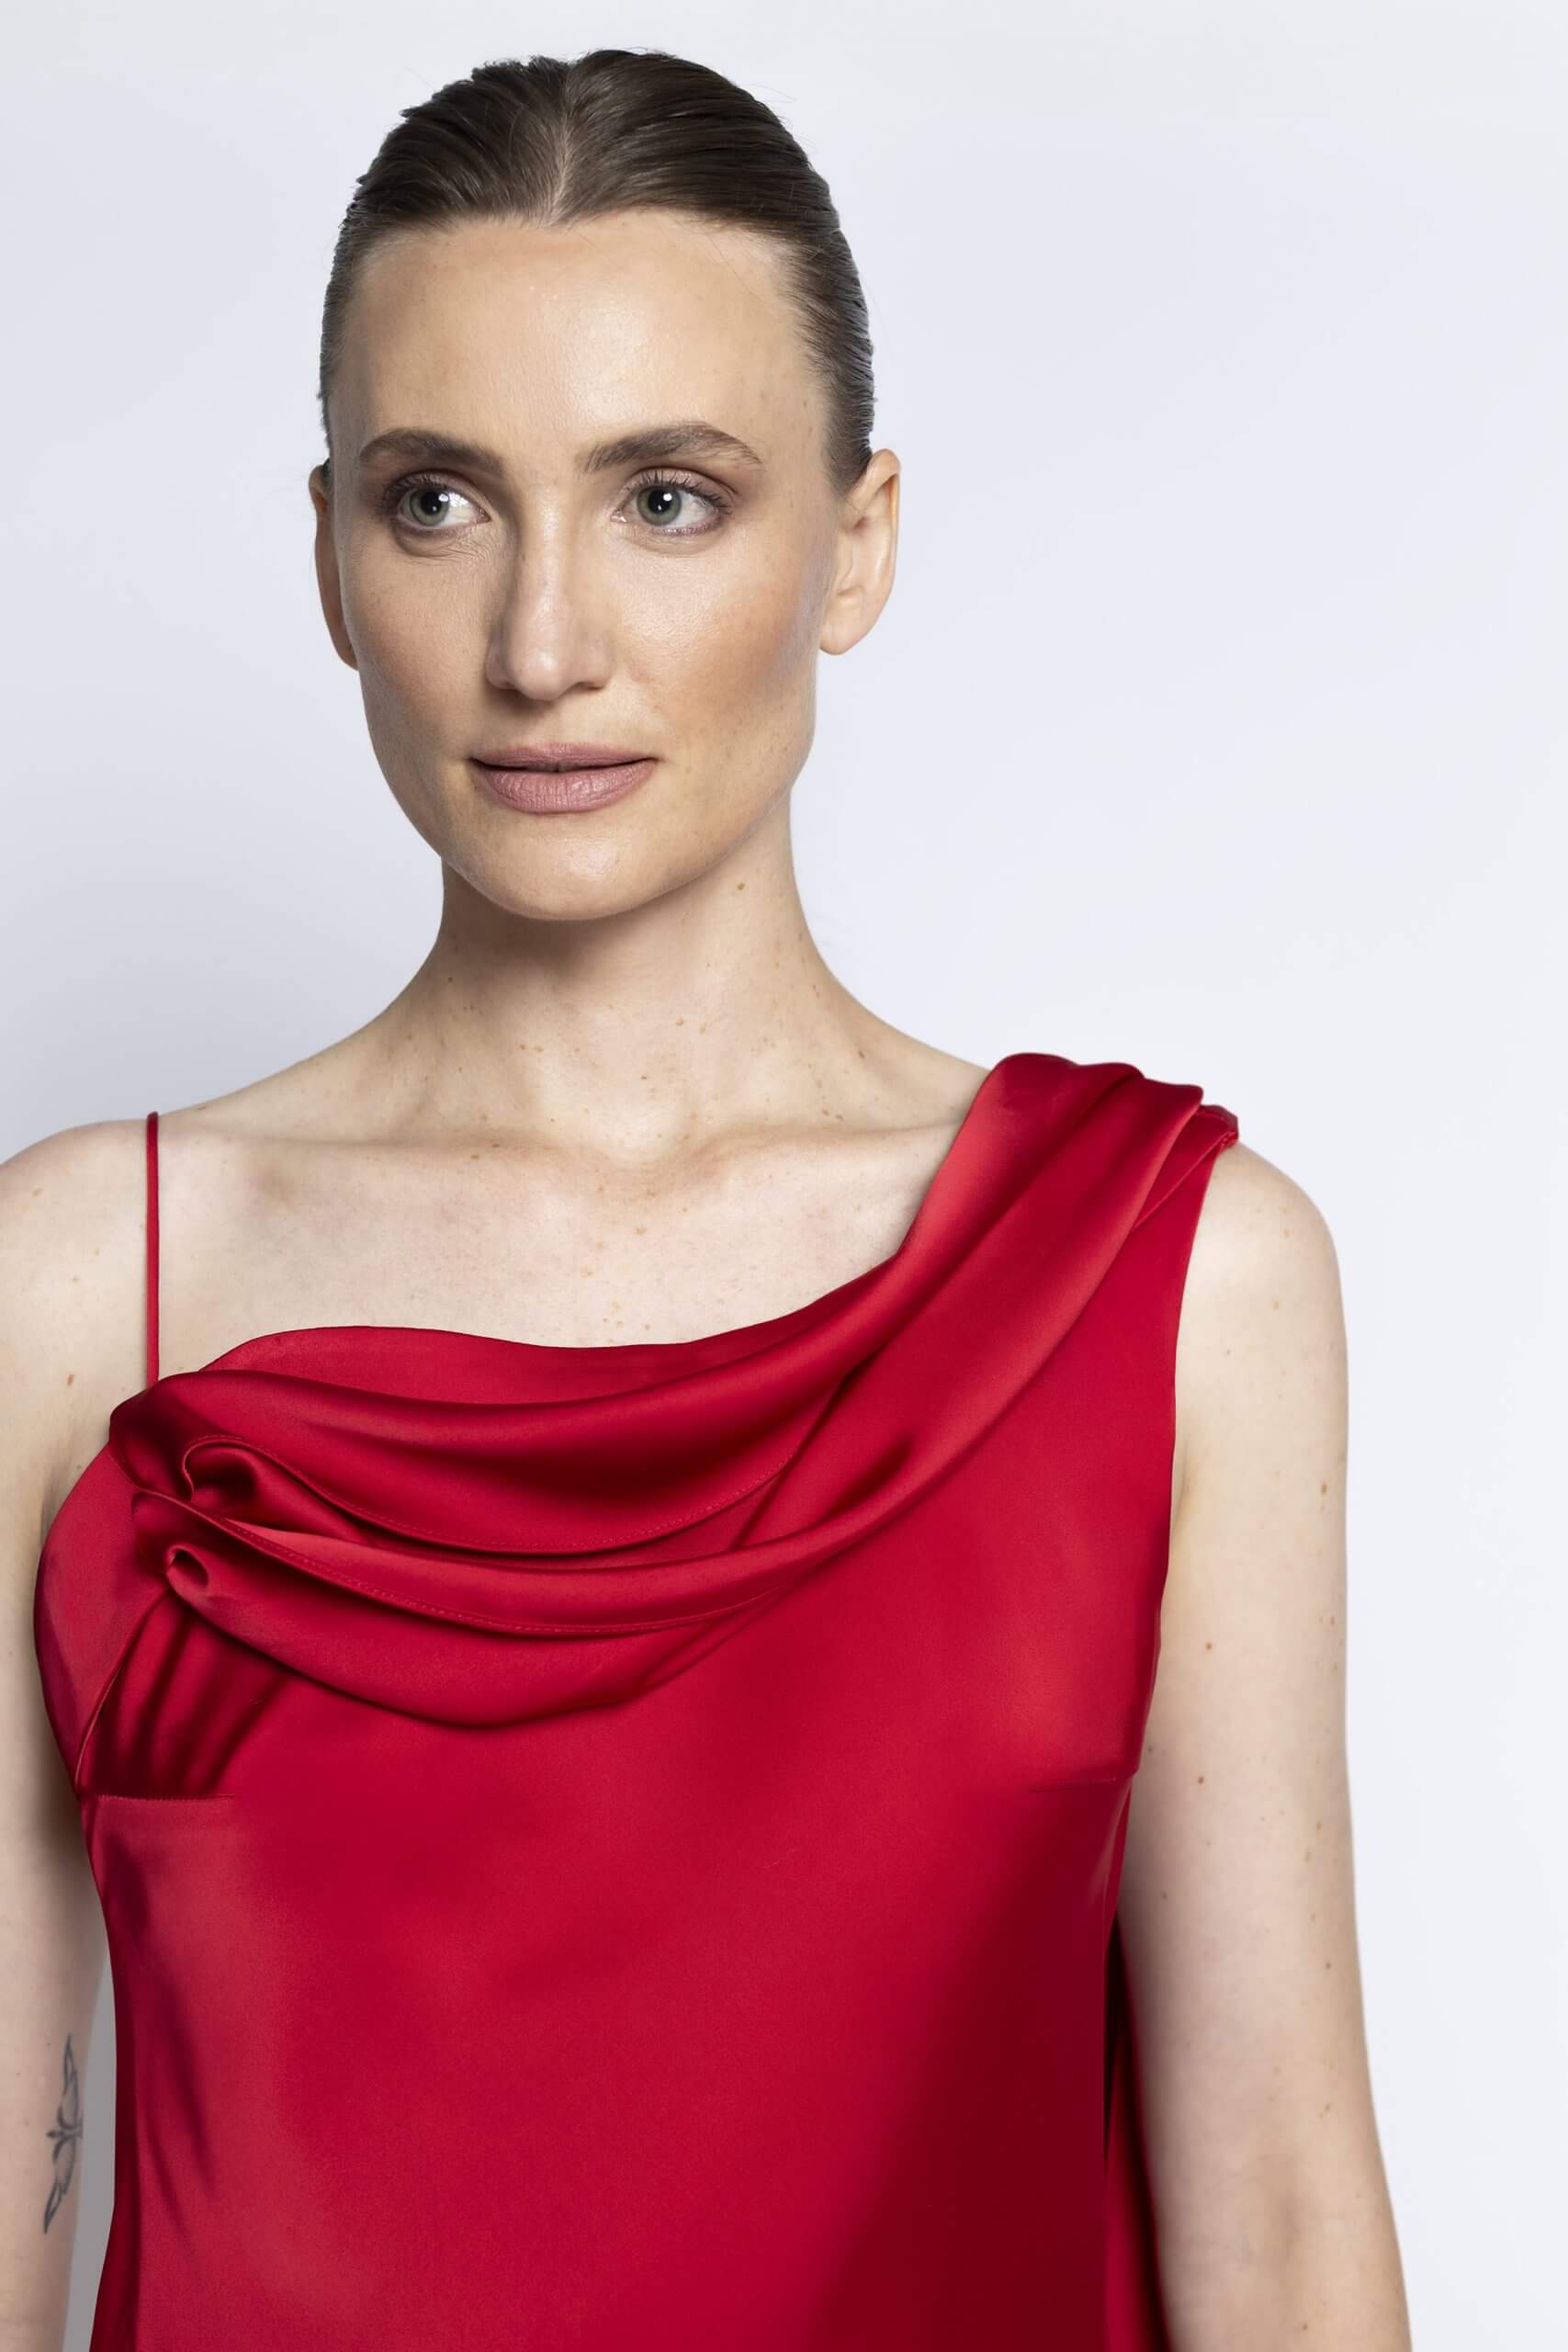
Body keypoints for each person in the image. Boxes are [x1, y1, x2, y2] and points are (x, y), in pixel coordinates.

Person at [1, 45, 1410, 2352]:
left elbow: (1268, 2209)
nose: (543, 640)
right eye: (438, 501)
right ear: (332, 556)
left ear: (853, 541)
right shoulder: (78, 1285)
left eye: (666, 497)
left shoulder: (1171, 1281)